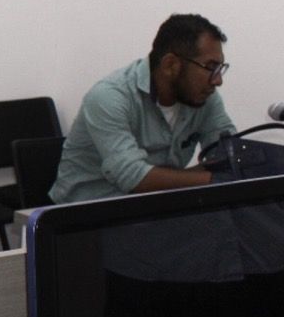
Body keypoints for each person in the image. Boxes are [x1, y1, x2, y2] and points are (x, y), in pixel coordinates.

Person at [50, 14, 235, 204]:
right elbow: (133, 177)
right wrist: (213, 179)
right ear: (170, 65)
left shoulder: (204, 97)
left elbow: (230, 154)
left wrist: (228, 168)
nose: (218, 80)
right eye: (210, 67)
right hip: (86, 212)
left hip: (157, 206)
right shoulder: (109, 96)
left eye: (220, 68)